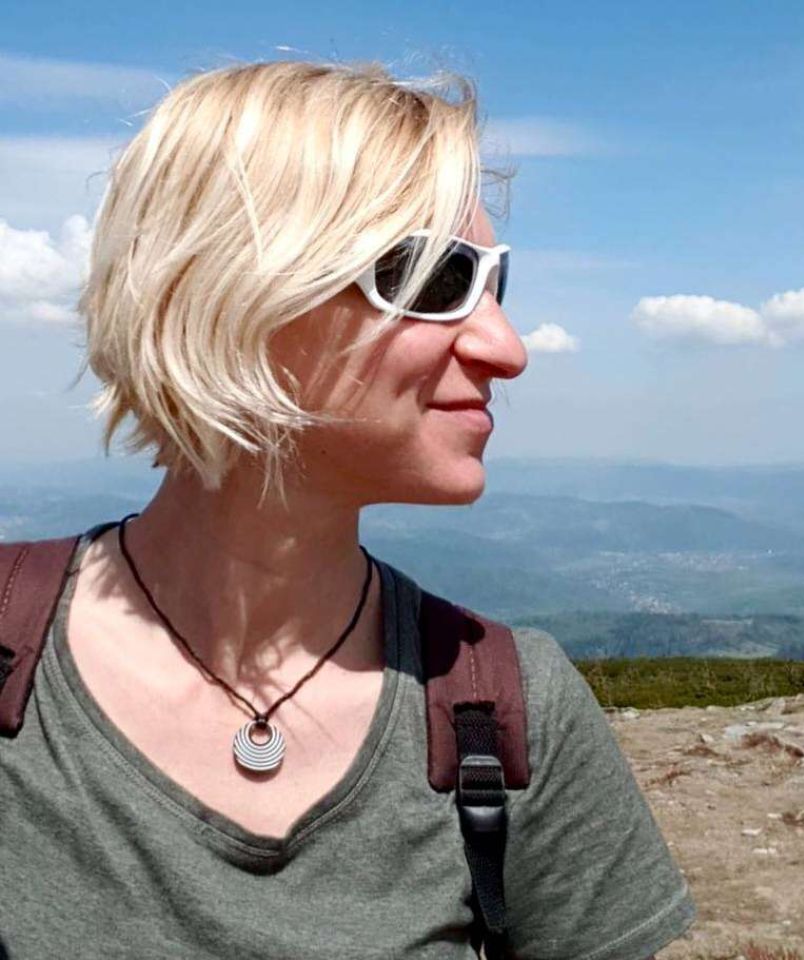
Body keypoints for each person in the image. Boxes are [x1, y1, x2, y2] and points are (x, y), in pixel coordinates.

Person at [0, 61, 695, 959]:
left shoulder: (510, 710)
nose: (508, 348)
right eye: (437, 279)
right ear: (238, 293)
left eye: (497, 286)